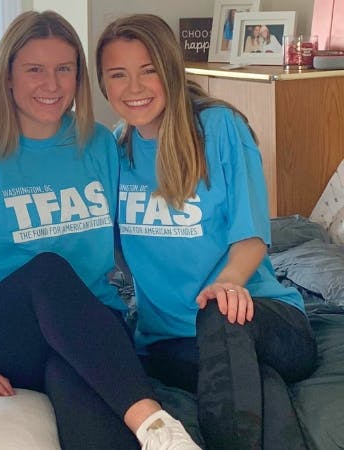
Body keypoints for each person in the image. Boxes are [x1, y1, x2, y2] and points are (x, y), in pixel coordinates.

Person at [0, 9, 200, 450]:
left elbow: (140, 233)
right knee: (48, 270)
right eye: (35, 70)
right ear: (7, 75)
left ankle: (165, 441)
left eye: (64, 69)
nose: (51, 84)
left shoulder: (98, 143)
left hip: (92, 325)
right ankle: (156, 423)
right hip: (7, 329)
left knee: (74, 374)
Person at [95, 14, 318, 450]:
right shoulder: (114, 152)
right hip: (172, 342)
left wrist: (227, 283)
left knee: (218, 314)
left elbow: (251, 235)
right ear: (103, 83)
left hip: (262, 319)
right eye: (118, 74)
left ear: (170, 70)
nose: (134, 87)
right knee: (258, 384)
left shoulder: (218, 128)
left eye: (148, 70)